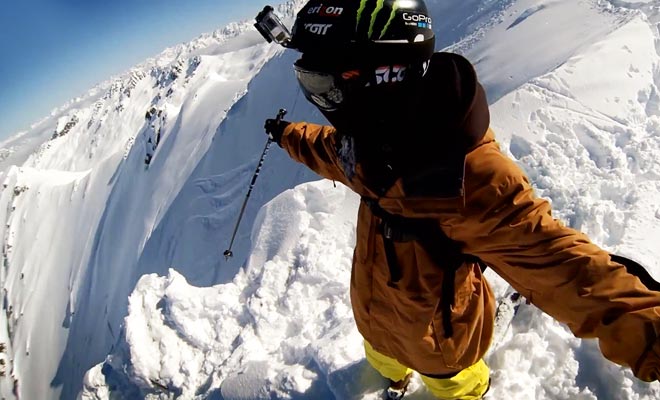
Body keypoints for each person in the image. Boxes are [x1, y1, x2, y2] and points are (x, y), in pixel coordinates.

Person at [260, 1, 660, 398]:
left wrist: (651, 331)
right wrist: (286, 133)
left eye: (322, 83)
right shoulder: (367, 143)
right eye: (309, 82)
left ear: (385, 75)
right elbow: (326, 150)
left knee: (456, 386)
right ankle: (393, 375)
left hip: (440, 345)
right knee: (384, 358)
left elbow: (566, 269)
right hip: (375, 322)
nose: (320, 99)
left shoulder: (470, 177)